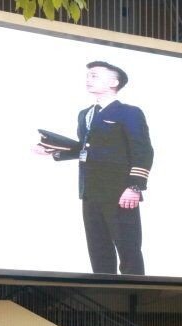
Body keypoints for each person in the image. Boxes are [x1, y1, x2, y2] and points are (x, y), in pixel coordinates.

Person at [34, 61, 154, 275]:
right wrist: (54, 151)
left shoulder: (129, 112)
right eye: (88, 75)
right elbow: (86, 148)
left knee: (128, 250)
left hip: (119, 192)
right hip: (90, 192)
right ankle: (105, 291)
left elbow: (143, 150)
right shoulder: (85, 114)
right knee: (98, 250)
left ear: (114, 82)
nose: (88, 79)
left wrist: (134, 187)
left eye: (95, 75)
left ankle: (135, 294)